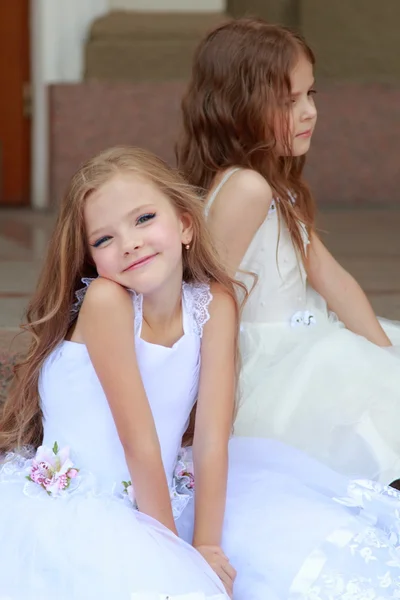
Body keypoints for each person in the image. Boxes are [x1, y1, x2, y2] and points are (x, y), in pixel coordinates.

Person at [0, 146, 239, 600]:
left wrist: (206, 545)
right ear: (92, 260)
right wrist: (174, 558)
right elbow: (139, 441)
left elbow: (211, 438)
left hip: (160, 498)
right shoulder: (107, 303)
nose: (129, 242)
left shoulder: (214, 306)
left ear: (186, 224)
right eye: (104, 239)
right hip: (79, 515)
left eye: (144, 218)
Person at [176, 17, 400, 484]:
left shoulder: (273, 183)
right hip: (278, 368)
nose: (310, 111)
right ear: (239, 109)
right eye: (289, 101)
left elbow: (332, 279)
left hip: (315, 343)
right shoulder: (246, 190)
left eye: (310, 95)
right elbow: (207, 303)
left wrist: (385, 357)